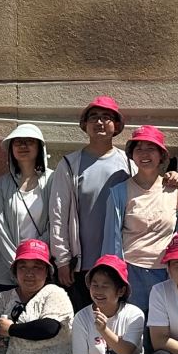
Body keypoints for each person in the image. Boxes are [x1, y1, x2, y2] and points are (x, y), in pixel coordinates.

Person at [48, 96, 131, 290]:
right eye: (93, 117)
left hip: (118, 262)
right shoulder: (69, 164)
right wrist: (62, 259)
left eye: (106, 117)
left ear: (116, 125)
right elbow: (58, 214)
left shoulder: (129, 163)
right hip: (80, 265)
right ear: (85, 124)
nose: (99, 122)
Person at [102, 124, 178, 306]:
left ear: (161, 155)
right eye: (139, 149)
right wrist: (113, 275)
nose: (144, 154)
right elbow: (112, 238)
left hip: (168, 272)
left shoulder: (176, 190)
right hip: (131, 272)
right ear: (132, 155)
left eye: (151, 148)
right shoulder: (119, 192)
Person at [0, 123, 50, 295]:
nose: (23, 146)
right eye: (18, 142)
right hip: (7, 269)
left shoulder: (53, 180)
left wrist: (37, 258)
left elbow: (56, 223)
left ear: (39, 147)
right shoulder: (1, 184)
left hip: (41, 267)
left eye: (29, 141)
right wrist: (17, 266)